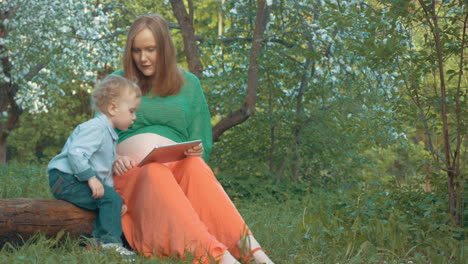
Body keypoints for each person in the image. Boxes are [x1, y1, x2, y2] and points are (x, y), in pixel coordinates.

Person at [110, 14, 275, 264]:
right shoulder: (115, 82)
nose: (143, 58)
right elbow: (96, 135)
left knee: (195, 166)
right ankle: (219, 257)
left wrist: (194, 152)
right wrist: (113, 157)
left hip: (177, 170)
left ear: (164, 48)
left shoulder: (189, 84)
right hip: (130, 176)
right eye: (136, 51)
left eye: (150, 50)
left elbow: (201, 143)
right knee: (155, 172)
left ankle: (255, 254)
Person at [47, 75, 141, 258]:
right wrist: (90, 178)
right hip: (65, 178)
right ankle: (109, 244)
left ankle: (95, 244)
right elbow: (76, 153)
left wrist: (115, 200)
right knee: (110, 199)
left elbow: (103, 174)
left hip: (73, 178)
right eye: (131, 111)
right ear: (113, 108)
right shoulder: (96, 128)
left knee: (111, 200)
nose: (134, 117)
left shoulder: (108, 133)